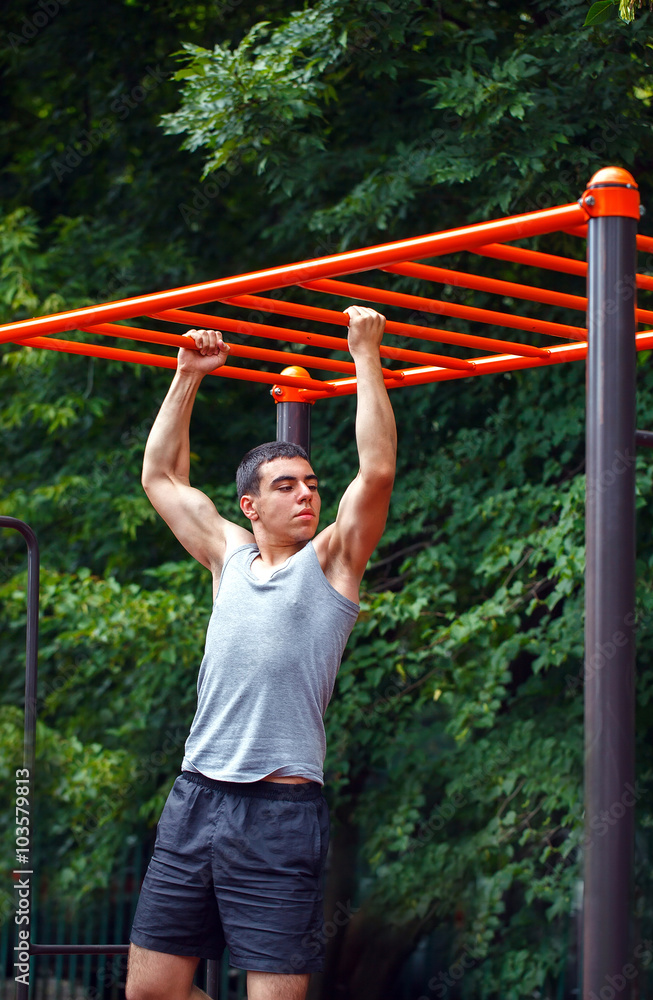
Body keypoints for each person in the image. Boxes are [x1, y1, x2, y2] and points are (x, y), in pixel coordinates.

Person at [126, 305, 396, 1000]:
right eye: (286, 486)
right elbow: (160, 477)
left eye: (310, 485)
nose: (306, 494)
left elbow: (376, 473)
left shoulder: (332, 563)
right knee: (150, 991)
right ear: (249, 505)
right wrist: (187, 374)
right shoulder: (228, 556)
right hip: (195, 798)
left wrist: (365, 354)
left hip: (280, 813)